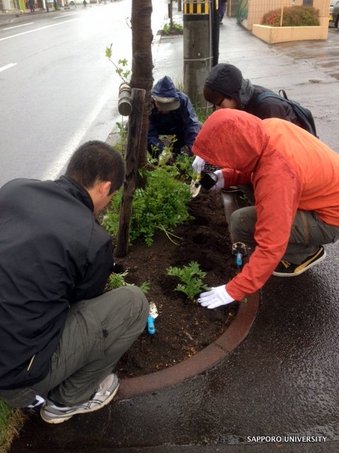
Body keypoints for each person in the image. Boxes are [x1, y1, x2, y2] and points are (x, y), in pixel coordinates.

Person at [0, 141, 149, 424]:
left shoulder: (14, 189)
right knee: (134, 303)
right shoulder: (93, 240)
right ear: (105, 187)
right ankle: (66, 401)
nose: (108, 203)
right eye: (112, 195)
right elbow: (80, 304)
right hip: (15, 376)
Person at [192, 109, 339, 309]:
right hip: (320, 193)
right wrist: (223, 177)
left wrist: (233, 290)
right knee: (261, 206)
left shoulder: (277, 177)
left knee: (241, 223)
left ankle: (302, 253)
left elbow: (271, 245)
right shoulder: (267, 128)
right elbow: (252, 162)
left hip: (330, 219)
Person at [203, 63, 300, 124]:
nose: (217, 110)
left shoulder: (269, 108)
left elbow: (276, 149)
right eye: (214, 105)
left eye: (220, 104)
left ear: (233, 95)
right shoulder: (241, 103)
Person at [148, 75, 201, 160]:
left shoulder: (183, 100)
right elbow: (149, 133)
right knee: (149, 141)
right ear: (155, 100)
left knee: (198, 126)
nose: (166, 110)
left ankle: (179, 152)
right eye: (162, 106)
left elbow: (191, 124)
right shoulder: (149, 104)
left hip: (177, 127)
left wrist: (192, 148)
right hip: (158, 127)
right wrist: (162, 151)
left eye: (169, 106)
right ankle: (158, 158)